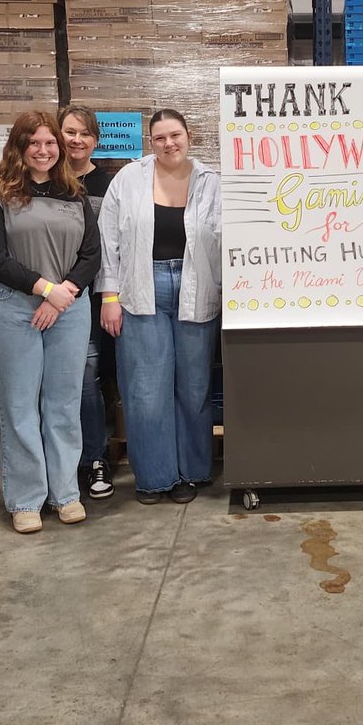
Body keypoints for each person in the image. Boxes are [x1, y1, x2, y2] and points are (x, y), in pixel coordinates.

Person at [0, 110, 101, 534]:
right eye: (35, 143)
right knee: (20, 406)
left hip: (68, 305)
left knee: (64, 403)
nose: (44, 151)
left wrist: (62, 294)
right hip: (13, 309)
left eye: (50, 143)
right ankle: (25, 499)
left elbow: (90, 255)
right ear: (19, 147)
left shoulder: (74, 193)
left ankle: (65, 493)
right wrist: (45, 290)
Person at [97, 109, 222, 505]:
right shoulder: (129, 179)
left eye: (175, 135)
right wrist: (110, 296)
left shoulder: (212, 182)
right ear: (150, 142)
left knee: (194, 387)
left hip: (197, 288)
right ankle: (154, 477)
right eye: (160, 138)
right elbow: (108, 242)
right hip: (141, 288)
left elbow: (227, 240)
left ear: (189, 135)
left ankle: (193, 472)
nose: (169, 144)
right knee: (146, 390)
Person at [59, 106, 115, 500]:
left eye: (84, 133)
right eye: (69, 132)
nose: (76, 140)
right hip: (45, 295)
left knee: (86, 378)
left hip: (92, 297)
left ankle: (94, 459)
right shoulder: (43, 179)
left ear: (95, 139)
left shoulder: (109, 183)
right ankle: (61, 463)